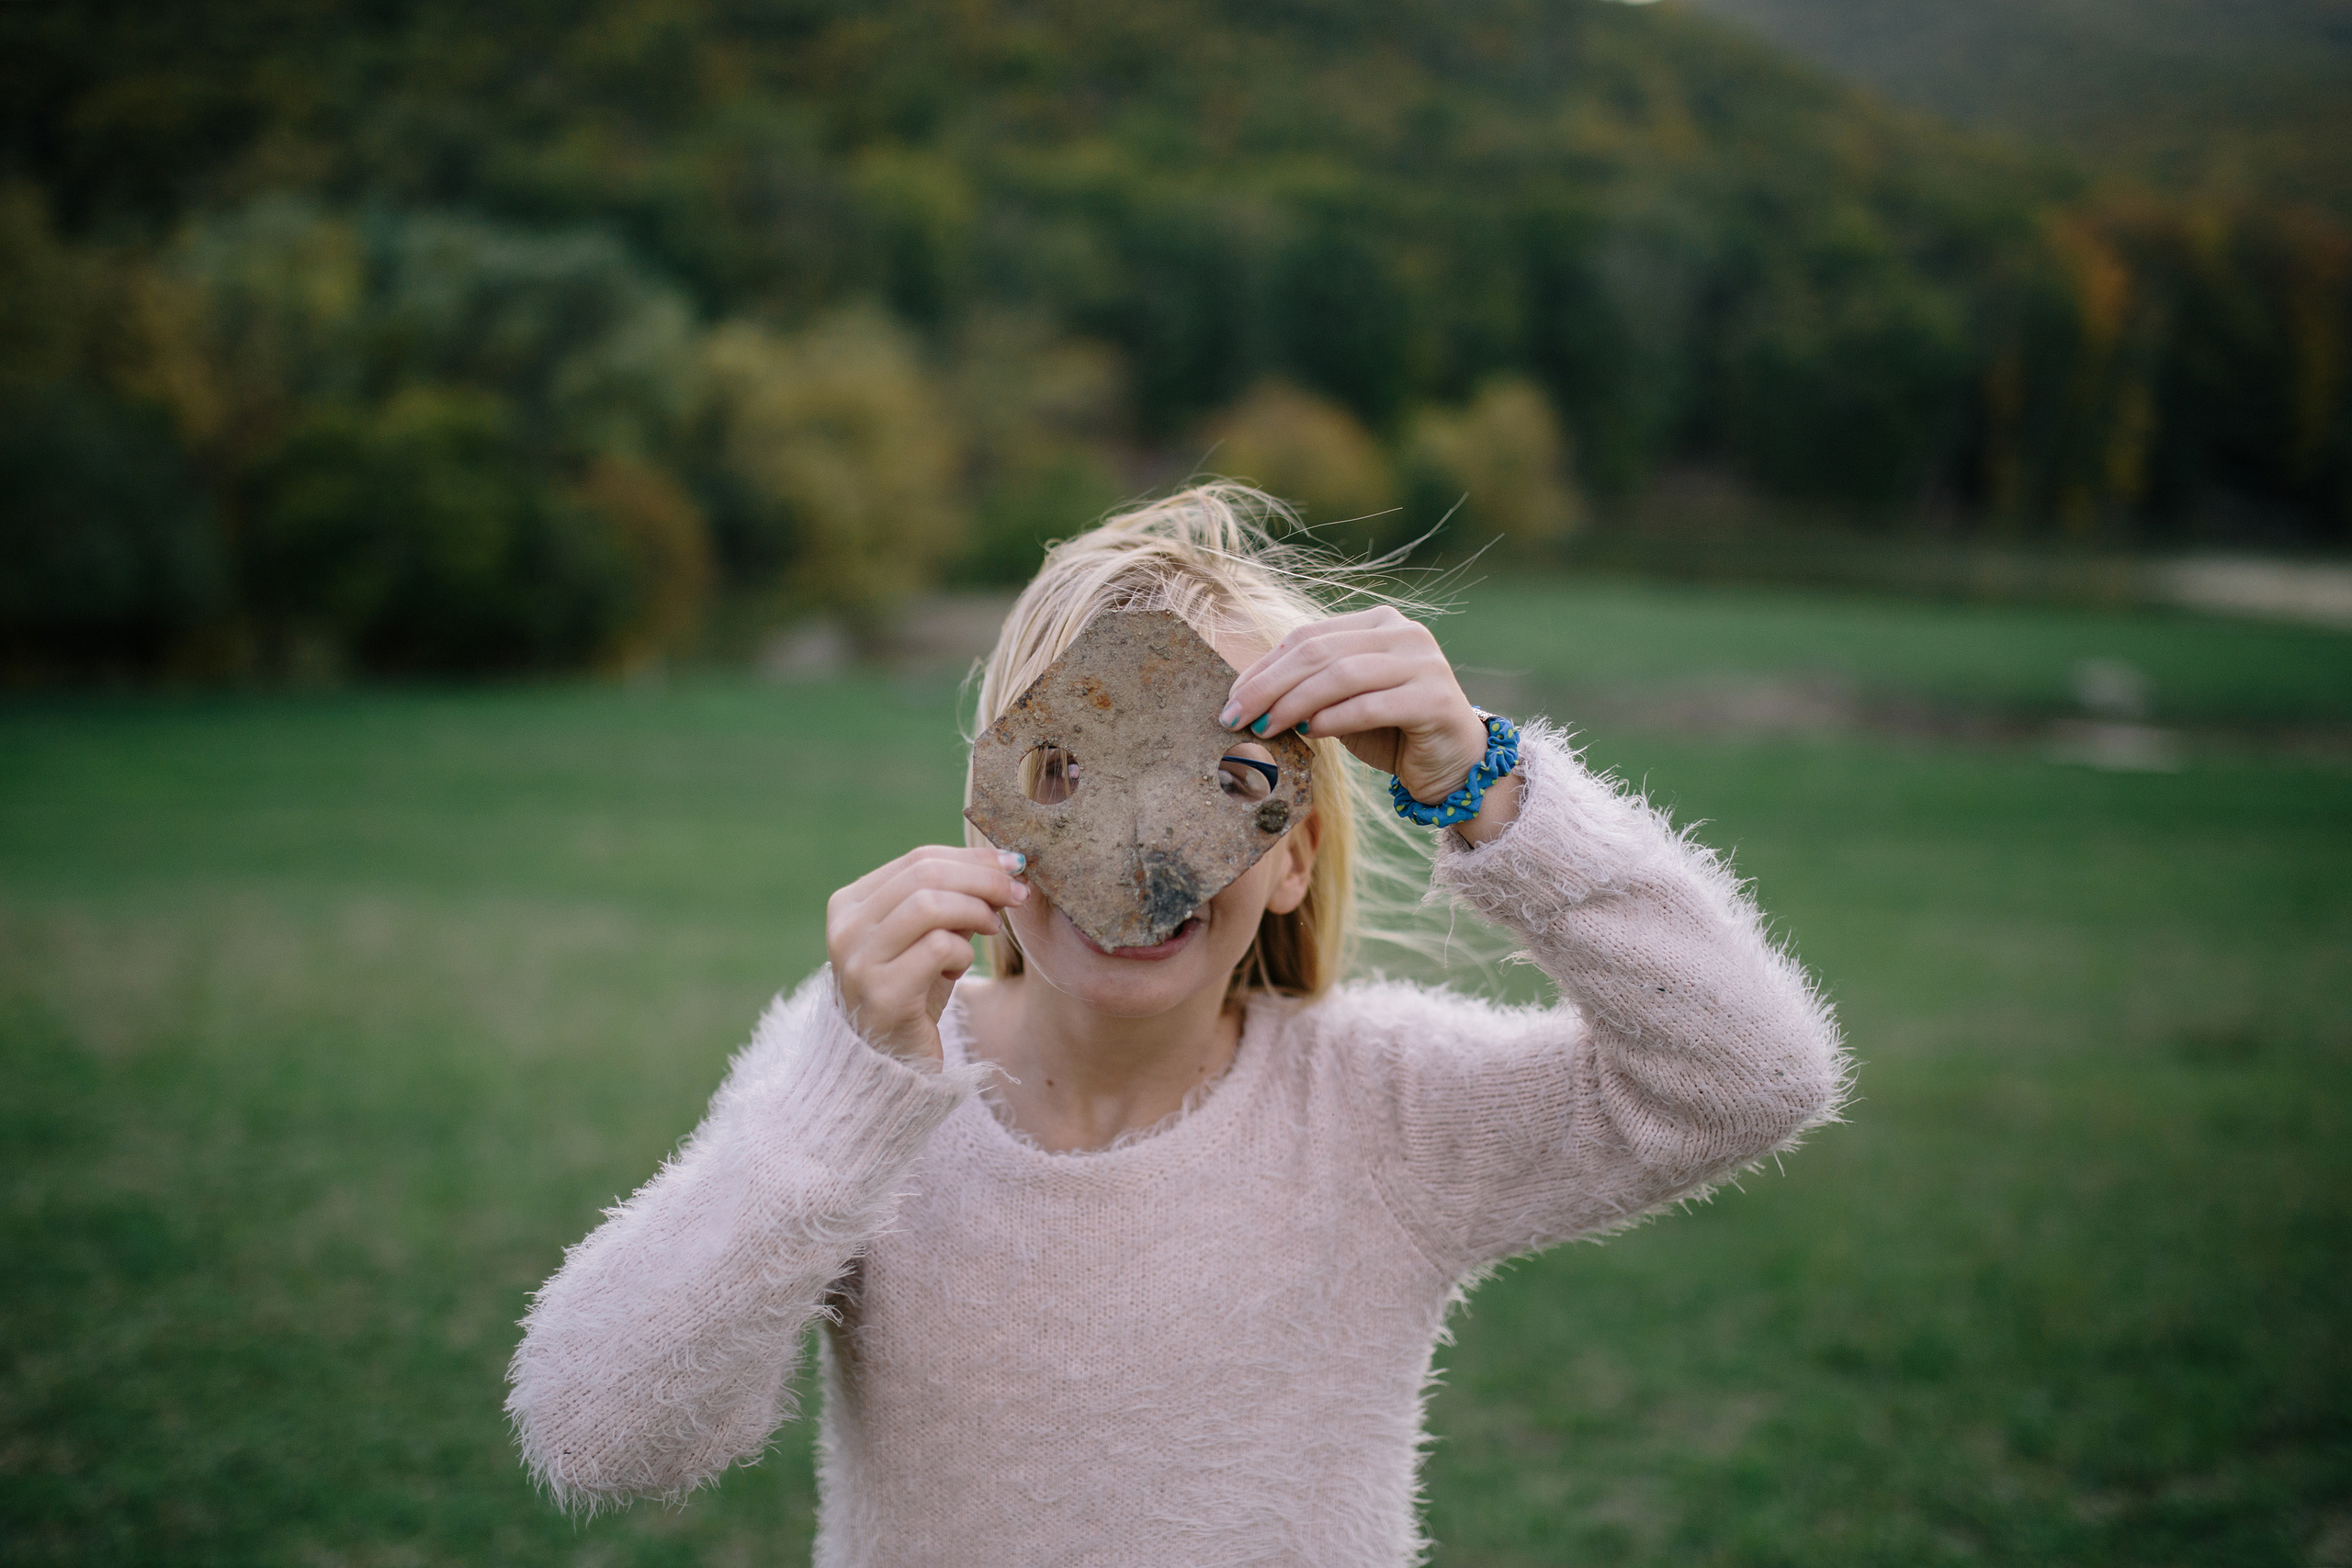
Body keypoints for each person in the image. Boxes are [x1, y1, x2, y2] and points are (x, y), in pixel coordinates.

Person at [506, 482, 1847, 1565]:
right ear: (989, 817)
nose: (1145, 861)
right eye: (1065, 775)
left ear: (1297, 858)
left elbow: (1752, 1080)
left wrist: (1486, 790)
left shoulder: (1382, 1109)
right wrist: (850, 1096)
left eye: (1232, 785)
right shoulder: (871, 1083)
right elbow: (600, 1436)